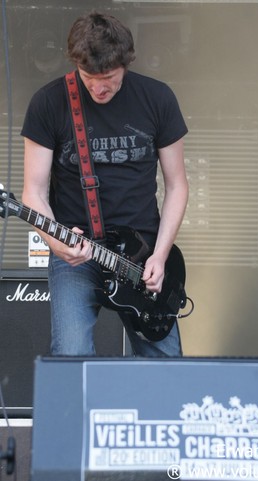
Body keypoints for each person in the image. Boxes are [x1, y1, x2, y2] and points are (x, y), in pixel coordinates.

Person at [21, 11, 189, 357]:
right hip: (77, 258)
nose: (98, 87)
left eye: (109, 77)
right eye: (89, 77)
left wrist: (160, 254)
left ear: (125, 63)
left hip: (144, 258)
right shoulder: (48, 103)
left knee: (167, 367)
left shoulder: (157, 99)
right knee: (71, 355)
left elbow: (177, 186)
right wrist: (56, 243)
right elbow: (33, 192)